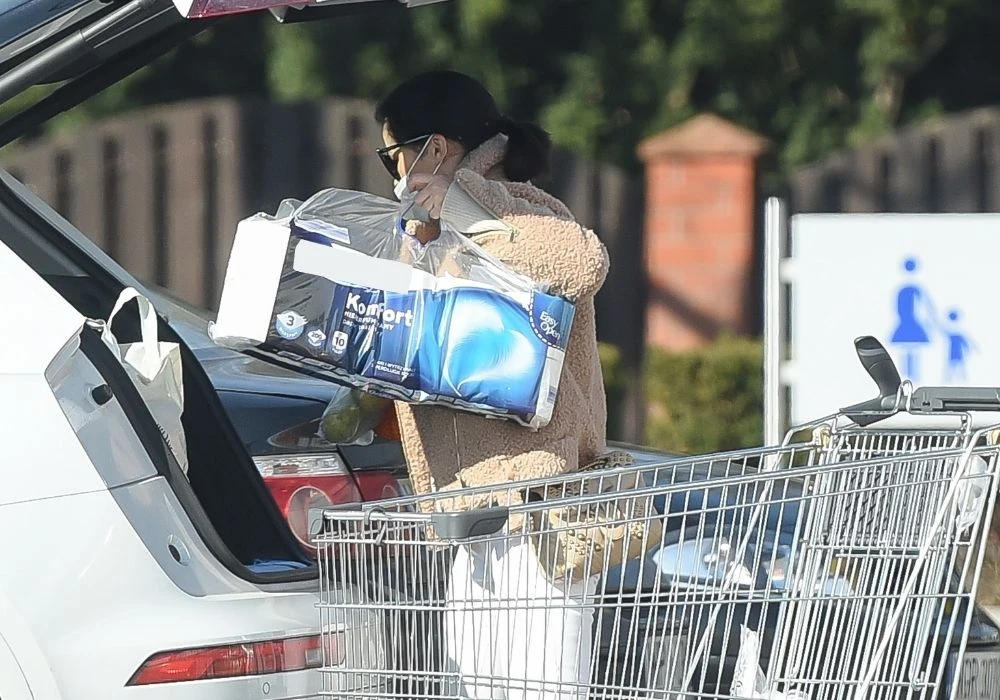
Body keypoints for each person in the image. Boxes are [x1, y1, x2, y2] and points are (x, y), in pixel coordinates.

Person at [374, 70, 611, 700]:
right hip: (475, 507)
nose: (393, 173)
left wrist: (453, 204)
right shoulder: (435, 224)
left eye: (394, 154)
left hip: (534, 509)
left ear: (437, 148)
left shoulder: (512, 202)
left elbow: (581, 260)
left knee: (541, 685)